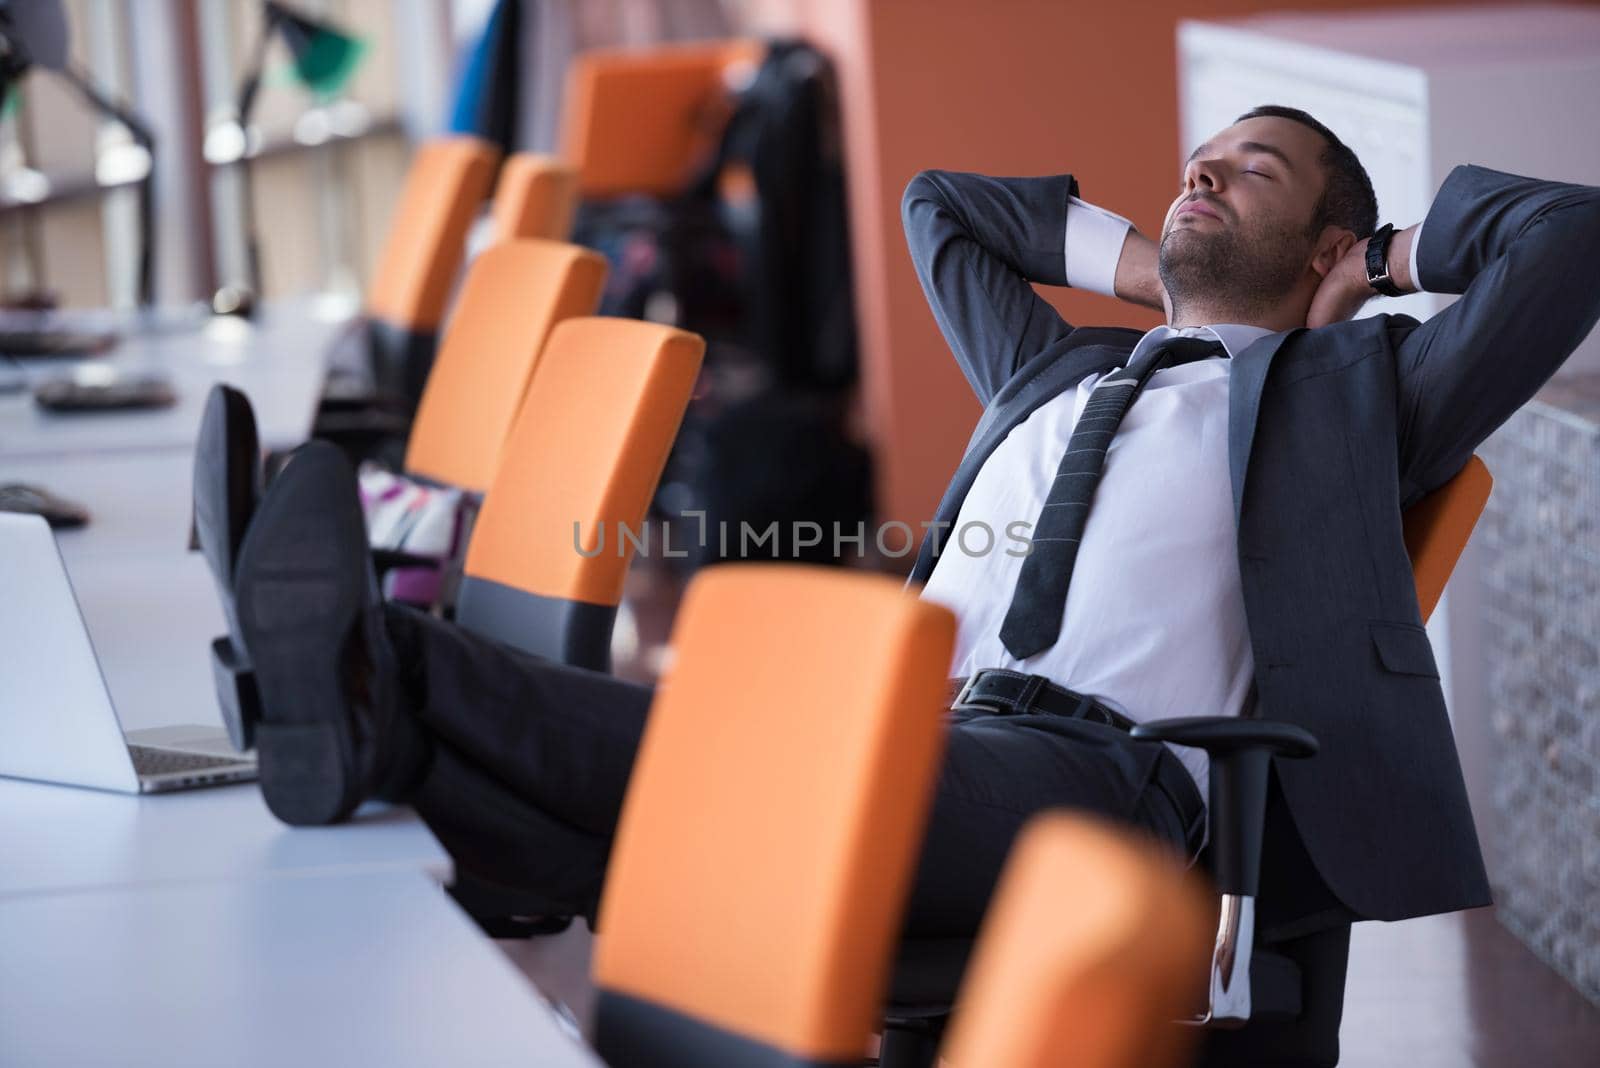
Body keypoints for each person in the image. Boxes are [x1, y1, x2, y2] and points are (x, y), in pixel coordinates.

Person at [195, 104, 1600, 940]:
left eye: (1254, 172)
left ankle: (375, 668)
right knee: (726, 759)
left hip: (1100, 789)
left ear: (1322, 249)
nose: (1206, 172)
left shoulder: (1358, 396)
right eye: (1204, 157)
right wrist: (1151, 272)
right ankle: (368, 708)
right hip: (927, 721)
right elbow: (945, 208)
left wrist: (1389, 263)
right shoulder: (1054, 371)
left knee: (728, 763)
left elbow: (1572, 240)